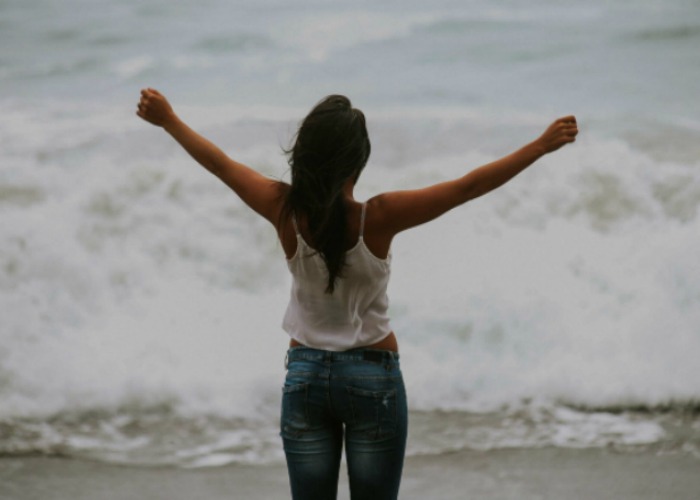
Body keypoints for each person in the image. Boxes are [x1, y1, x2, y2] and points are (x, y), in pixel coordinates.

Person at [136, 88, 578, 500]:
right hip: (373, 377)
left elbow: (220, 164)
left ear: (305, 156)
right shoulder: (379, 216)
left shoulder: (282, 209)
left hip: (305, 376)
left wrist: (169, 120)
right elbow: (467, 188)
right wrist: (539, 146)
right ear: (358, 161)